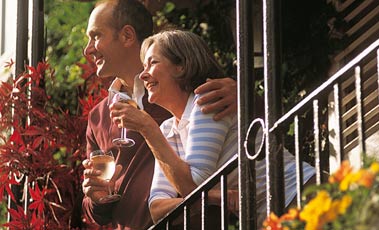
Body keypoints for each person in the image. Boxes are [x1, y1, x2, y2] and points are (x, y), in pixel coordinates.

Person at [110, 29, 315, 227]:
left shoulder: (208, 102)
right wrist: (214, 196)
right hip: (274, 216)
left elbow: (194, 187)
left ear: (181, 65)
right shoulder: (167, 129)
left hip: (302, 196)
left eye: (152, 63)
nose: (143, 75)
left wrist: (147, 128)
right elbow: (156, 209)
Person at [81, 1, 237, 229]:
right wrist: (96, 198)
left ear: (127, 35)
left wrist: (241, 93)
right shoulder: (98, 117)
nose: (88, 49)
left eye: (96, 36)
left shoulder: (188, 90)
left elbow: (256, 126)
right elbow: (91, 210)